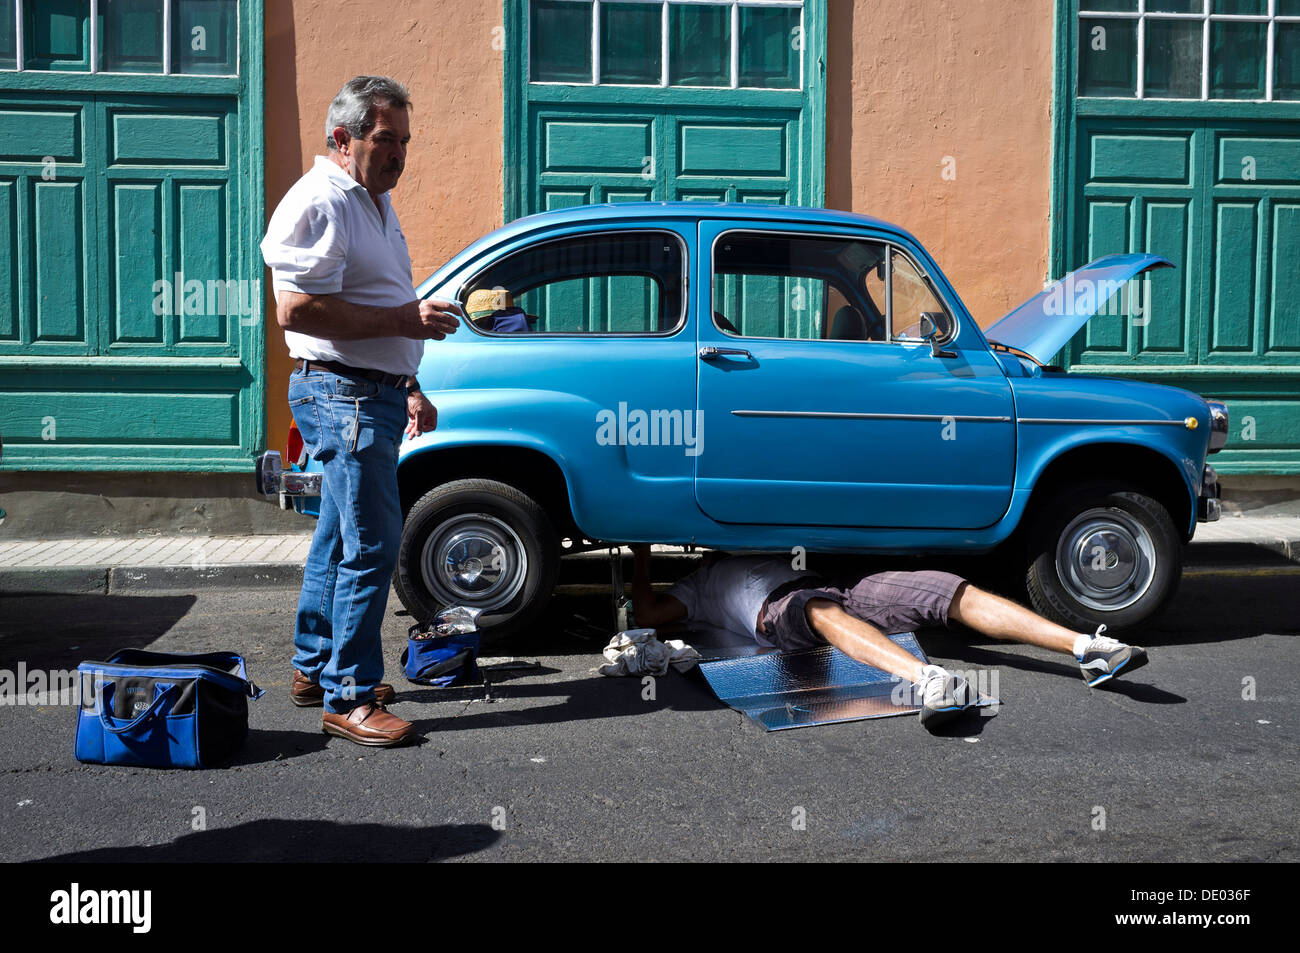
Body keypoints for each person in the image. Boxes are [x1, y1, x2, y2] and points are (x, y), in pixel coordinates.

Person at [260, 75, 461, 747]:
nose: (399, 153)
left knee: (340, 537)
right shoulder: (322, 199)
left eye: (405, 141)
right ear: (343, 140)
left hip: (366, 390)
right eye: (385, 139)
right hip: (341, 395)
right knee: (374, 541)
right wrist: (406, 318)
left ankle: (315, 669)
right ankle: (349, 694)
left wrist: (406, 380)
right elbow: (296, 310)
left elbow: (370, 302)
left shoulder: (368, 198)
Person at [629, 546, 1148, 731]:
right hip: (784, 609)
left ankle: (1088, 648)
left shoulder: (752, 531)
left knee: (948, 591)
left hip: (845, 582)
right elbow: (649, 611)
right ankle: (930, 681)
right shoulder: (696, 586)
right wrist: (641, 551)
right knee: (821, 611)